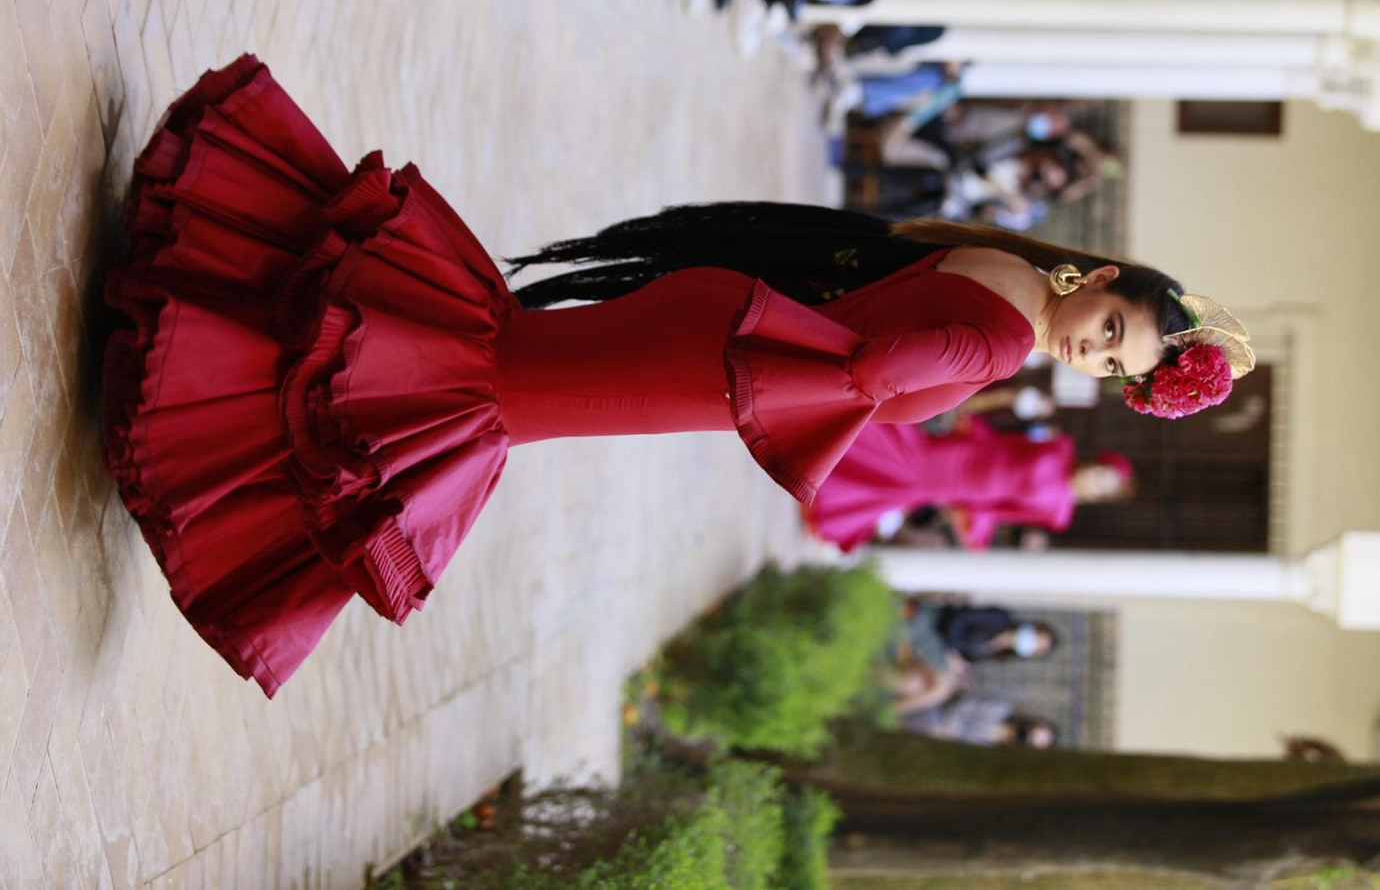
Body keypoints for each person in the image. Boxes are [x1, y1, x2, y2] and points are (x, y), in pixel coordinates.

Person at [101, 56, 1253, 696]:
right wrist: (834, 432)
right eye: (1110, 325)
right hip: (710, 366)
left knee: (489, 373)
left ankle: (210, 315)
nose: (1092, 351)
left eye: (1112, 362)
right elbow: (874, 363)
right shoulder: (999, 343)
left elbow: (877, 315)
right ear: (1098, 275)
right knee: (484, 389)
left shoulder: (1005, 267)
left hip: (712, 334)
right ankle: (189, 381)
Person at [805, 417, 1135, 551]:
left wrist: (973, 518)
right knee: (908, 456)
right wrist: (972, 431)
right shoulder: (1061, 447)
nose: (1095, 481)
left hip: (974, 489)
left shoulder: (1058, 513)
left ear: (1099, 496)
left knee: (907, 486)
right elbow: (1010, 442)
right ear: (1097, 463)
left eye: (1102, 487)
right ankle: (833, 435)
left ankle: (832, 488)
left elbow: (1005, 513)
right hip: (971, 455)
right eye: (1101, 473)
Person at [901, 696, 1057, 748]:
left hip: (943, 745)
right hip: (941, 718)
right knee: (934, 727)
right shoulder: (1000, 707)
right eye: (1035, 732)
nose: (1030, 737)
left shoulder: (993, 751)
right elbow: (964, 704)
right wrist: (949, 726)